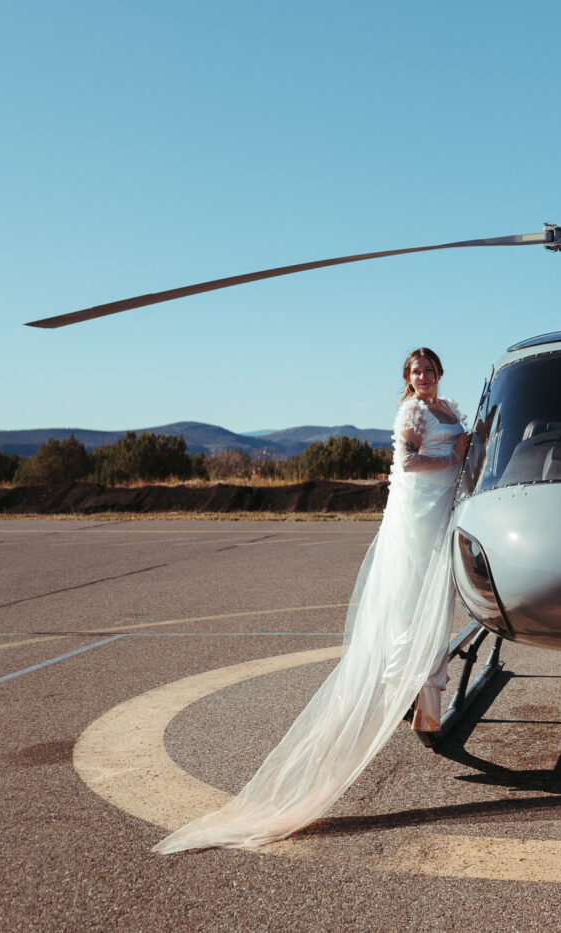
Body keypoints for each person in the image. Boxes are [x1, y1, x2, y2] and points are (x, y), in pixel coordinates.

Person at [153, 347, 470, 853]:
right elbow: (408, 463)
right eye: (416, 372)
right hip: (419, 518)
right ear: (408, 379)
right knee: (413, 607)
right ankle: (415, 699)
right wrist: (450, 458)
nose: (424, 377)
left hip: (444, 512)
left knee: (435, 605)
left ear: (440, 373)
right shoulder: (410, 412)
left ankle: (426, 703)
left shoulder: (448, 407)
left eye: (429, 370)